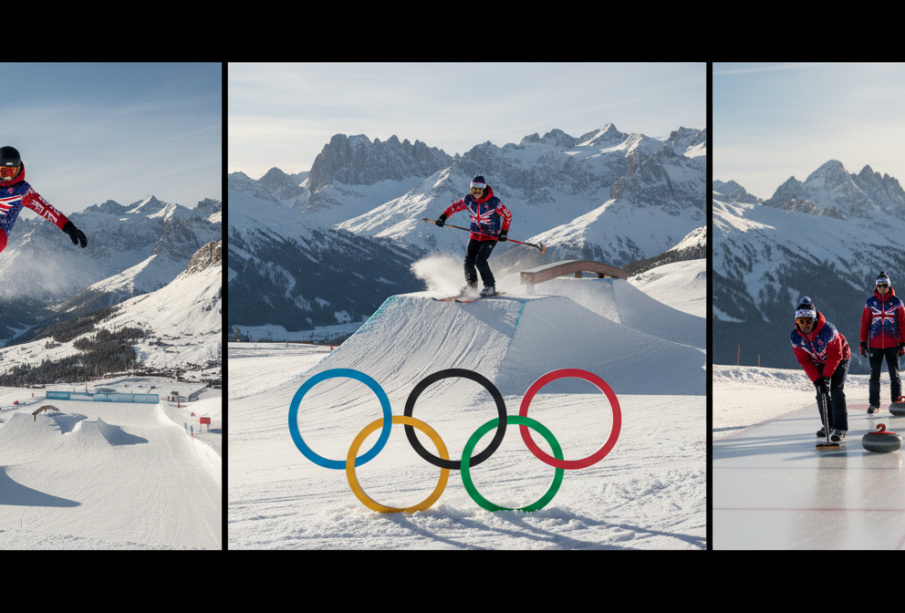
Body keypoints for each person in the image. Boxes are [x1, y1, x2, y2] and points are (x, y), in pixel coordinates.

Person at [1, 146, 87, 255]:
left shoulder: (22, 191)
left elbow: (46, 209)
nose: (8, 178)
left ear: (18, 171)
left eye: (12, 172)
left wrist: (69, 227)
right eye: (4, 172)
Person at [435, 173, 511, 297]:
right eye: (473, 189)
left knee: (480, 261)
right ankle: (471, 286)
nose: (476, 192)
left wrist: (504, 232)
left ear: (484, 189)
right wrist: (443, 217)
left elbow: (507, 216)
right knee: (468, 262)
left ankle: (489, 287)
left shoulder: (494, 202)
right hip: (475, 236)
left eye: (479, 189)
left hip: (490, 237)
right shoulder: (468, 200)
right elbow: (454, 207)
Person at [790, 296, 851, 441]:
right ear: (796, 321)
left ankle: (840, 428)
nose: (805, 324)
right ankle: (828, 425)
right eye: (801, 321)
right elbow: (804, 360)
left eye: (808, 321)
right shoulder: (796, 337)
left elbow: (835, 355)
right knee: (821, 391)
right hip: (818, 362)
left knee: (836, 389)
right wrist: (818, 380)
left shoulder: (828, 331)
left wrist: (827, 377)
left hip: (840, 357)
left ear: (814, 319)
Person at [859, 271, 905, 413]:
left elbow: (903, 323)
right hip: (875, 345)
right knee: (874, 375)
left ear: (889, 286)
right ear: (876, 286)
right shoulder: (870, 302)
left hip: (892, 344)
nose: (882, 288)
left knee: (894, 374)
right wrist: (862, 341)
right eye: (879, 285)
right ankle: (874, 404)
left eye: (885, 285)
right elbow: (865, 322)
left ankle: (896, 401)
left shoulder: (897, 302)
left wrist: (903, 343)